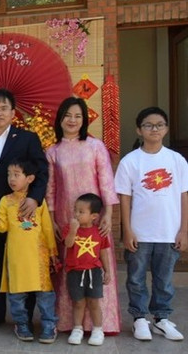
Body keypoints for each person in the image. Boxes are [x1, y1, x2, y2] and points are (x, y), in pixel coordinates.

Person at [0, 89, 48, 331]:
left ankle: (25, 317)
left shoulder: (27, 139)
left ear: (13, 113)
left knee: (25, 262)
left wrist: (35, 199)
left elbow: (42, 171)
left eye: (3, 108)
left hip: (23, 212)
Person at [45, 97, 121, 335]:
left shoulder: (95, 146)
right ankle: (71, 323)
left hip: (95, 219)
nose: (72, 120)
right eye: (68, 115)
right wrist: (52, 220)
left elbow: (106, 181)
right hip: (68, 218)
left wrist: (108, 214)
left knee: (97, 263)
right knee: (72, 267)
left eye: (78, 116)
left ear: (84, 120)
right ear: (60, 119)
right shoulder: (53, 151)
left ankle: (101, 324)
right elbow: (50, 189)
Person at [114, 106, 188, 342]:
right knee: (135, 279)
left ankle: (161, 319)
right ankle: (139, 319)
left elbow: (184, 195)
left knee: (164, 280)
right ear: (139, 129)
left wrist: (184, 229)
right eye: (148, 125)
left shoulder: (177, 160)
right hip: (140, 232)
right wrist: (127, 230)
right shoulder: (130, 161)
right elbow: (124, 198)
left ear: (166, 129)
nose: (154, 129)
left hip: (169, 232)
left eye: (159, 125)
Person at [0, 158, 58, 344]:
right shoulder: (6, 201)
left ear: (30, 178)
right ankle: (22, 324)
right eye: (9, 174)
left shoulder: (37, 202)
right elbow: (2, 227)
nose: (11, 179)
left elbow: (47, 228)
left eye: (17, 175)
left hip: (38, 256)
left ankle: (49, 324)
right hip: (16, 257)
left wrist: (53, 253)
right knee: (17, 295)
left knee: (44, 294)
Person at [63, 193, 111, 346]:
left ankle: (98, 329)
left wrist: (107, 271)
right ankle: (77, 328)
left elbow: (103, 252)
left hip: (94, 272)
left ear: (94, 216)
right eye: (75, 210)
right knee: (78, 302)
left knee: (94, 302)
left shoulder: (99, 232)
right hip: (74, 271)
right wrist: (73, 230)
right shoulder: (69, 228)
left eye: (81, 212)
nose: (76, 214)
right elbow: (68, 244)